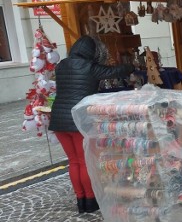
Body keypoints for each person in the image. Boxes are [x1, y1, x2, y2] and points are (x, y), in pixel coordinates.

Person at [49, 36, 134, 213]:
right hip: (78, 119)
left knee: (73, 161)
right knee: (84, 161)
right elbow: (114, 72)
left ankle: (80, 200)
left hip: (58, 119)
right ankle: (90, 200)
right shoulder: (90, 67)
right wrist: (130, 65)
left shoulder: (61, 66)